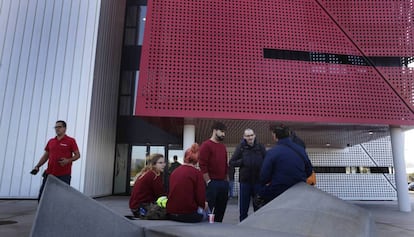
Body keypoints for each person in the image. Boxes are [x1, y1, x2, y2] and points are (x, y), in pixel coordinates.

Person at [256, 124, 313, 207]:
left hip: (278, 190)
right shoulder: (300, 150)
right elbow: (309, 171)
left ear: (275, 136)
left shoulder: (272, 152)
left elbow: (264, 176)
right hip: (300, 188)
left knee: (260, 196)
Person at [30, 120, 80, 201]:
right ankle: (43, 213)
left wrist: (68, 160)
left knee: (62, 199)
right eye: (56, 127)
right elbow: (45, 156)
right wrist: (37, 166)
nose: (57, 129)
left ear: (65, 128)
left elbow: (78, 155)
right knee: (43, 197)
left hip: (64, 175)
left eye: (59, 127)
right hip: (49, 174)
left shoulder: (71, 141)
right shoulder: (51, 141)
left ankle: (60, 213)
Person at [229, 128, 266, 221]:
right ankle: (242, 227)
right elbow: (232, 162)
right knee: (243, 208)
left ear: (254, 135)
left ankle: (258, 226)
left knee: (259, 207)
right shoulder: (240, 148)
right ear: (244, 137)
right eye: (248, 136)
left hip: (258, 182)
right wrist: (242, 161)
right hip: (245, 182)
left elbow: (267, 161)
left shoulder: (260, 147)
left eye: (251, 135)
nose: (250, 138)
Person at [167, 143, 208, 223]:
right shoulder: (197, 173)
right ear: (197, 160)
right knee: (207, 211)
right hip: (187, 215)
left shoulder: (174, 172)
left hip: (170, 213)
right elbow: (200, 197)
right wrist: (204, 205)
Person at [199, 121, 229, 222]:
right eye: (221, 131)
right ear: (214, 131)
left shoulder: (223, 147)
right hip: (212, 183)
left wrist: (226, 181)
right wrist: (208, 181)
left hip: (223, 183)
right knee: (209, 211)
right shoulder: (206, 145)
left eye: (224, 132)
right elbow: (202, 165)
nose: (223, 134)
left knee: (221, 210)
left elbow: (225, 164)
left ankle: (218, 229)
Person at [129, 153, 166, 218]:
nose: (163, 165)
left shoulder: (146, 173)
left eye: (164, 162)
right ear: (153, 164)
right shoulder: (154, 175)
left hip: (136, 208)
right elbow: (160, 195)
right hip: (142, 209)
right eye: (160, 163)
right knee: (174, 211)